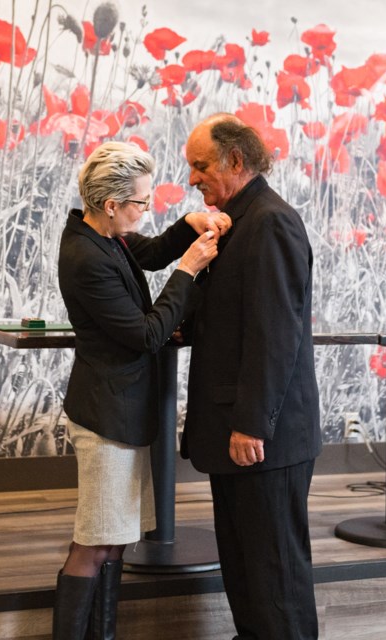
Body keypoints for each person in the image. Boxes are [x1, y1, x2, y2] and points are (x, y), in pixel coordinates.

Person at [54, 141, 231, 640]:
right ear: (112, 205)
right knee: (94, 542)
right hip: (106, 417)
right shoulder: (87, 257)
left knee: (113, 541)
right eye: (141, 203)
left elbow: (146, 251)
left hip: (123, 412)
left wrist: (185, 229)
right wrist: (190, 269)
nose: (146, 210)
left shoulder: (103, 236)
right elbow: (148, 334)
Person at [181, 114, 322, 639]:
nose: (193, 179)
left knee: (275, 584)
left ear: (235, 162)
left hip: (264, 440)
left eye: (200, 166)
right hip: (238, 435)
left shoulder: (270, 221)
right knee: (247, 578)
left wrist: (251, 424)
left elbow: (274, 335)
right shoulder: (239, 219)